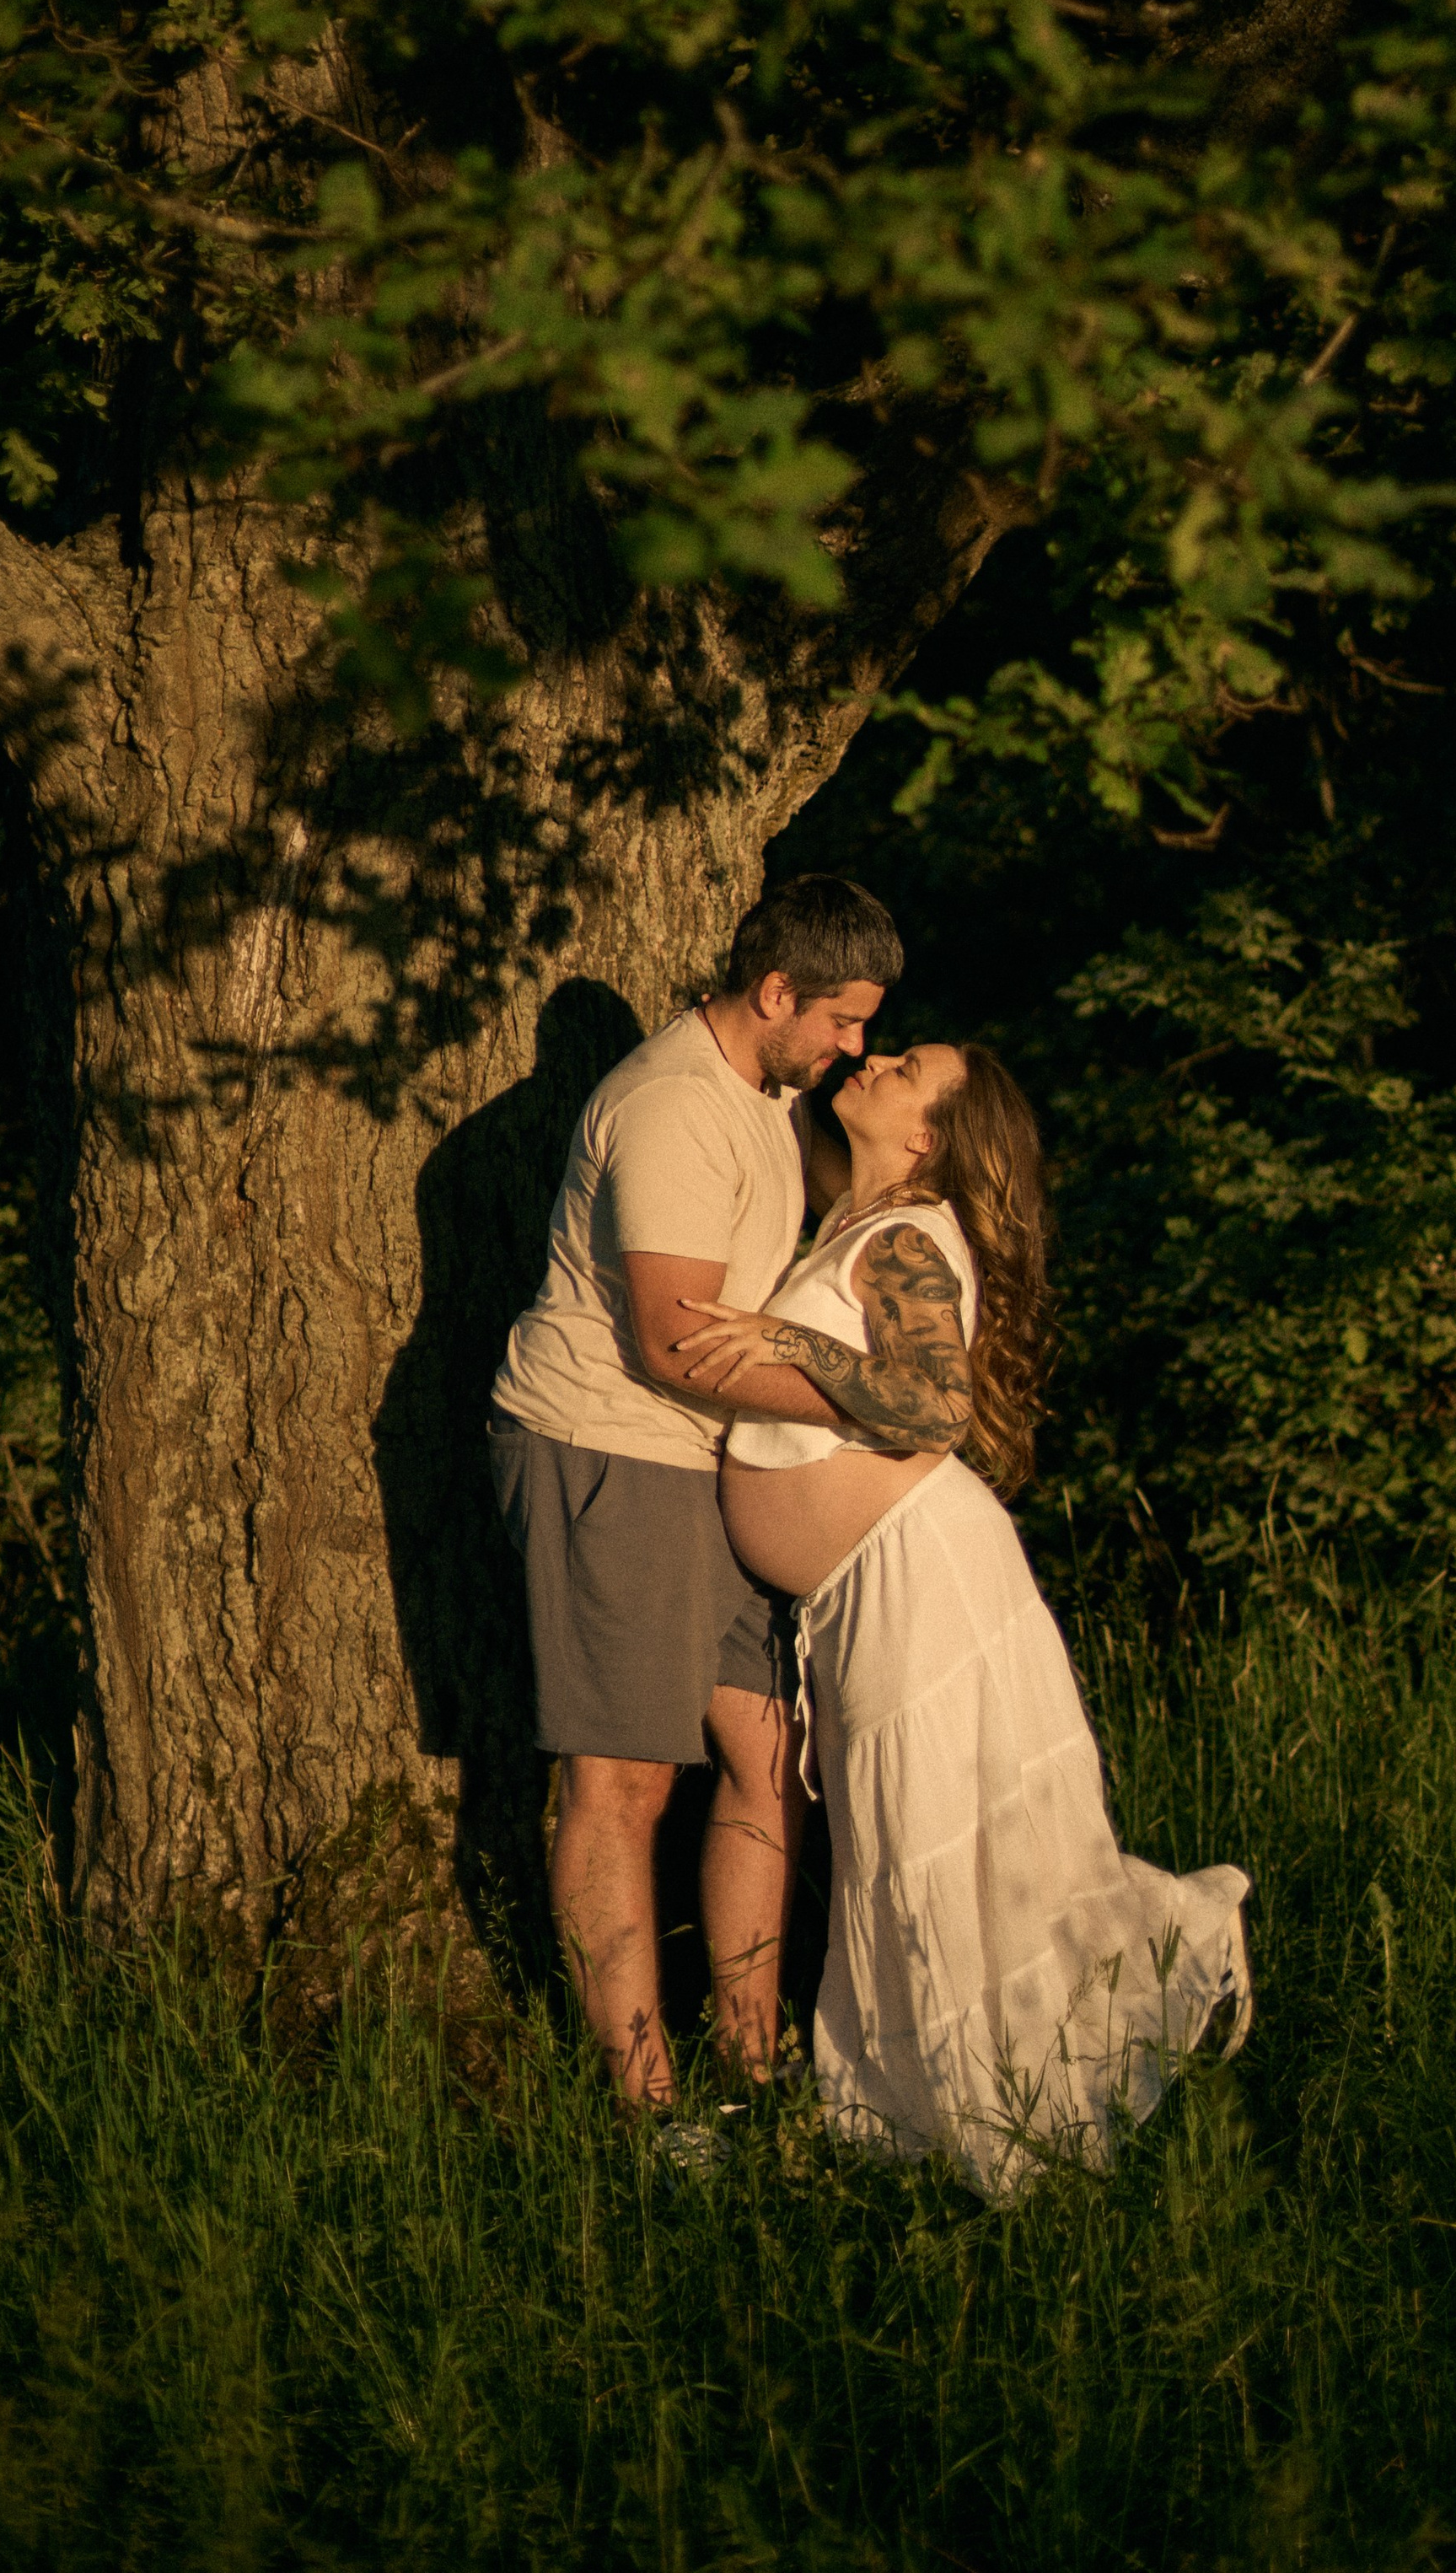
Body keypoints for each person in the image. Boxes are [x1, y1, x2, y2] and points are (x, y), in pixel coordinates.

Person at [676, 1039, 1250, 2195]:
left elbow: (931, 1404)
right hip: (876, 1582)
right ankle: (934, 2107)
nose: (877, 1059)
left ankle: (1115, 2017)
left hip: (915, 1574)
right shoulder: (860, 1222)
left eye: (907, 1066)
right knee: (927, 1843)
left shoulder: (903, 1235)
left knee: (939, 1837)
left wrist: (781, 1337)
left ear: (929, 1136)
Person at [487, 874, 901, 2104]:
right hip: (615, 1451)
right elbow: (672, 1343)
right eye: (841, 1020)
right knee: (623, 1781)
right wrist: (870, 1409)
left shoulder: (766, 1091)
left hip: (707, 1463)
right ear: (776, 991)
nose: (854, 1046)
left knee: (769, 1757)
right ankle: (645, 2109)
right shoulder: (675, 1105)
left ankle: (753, 2063)